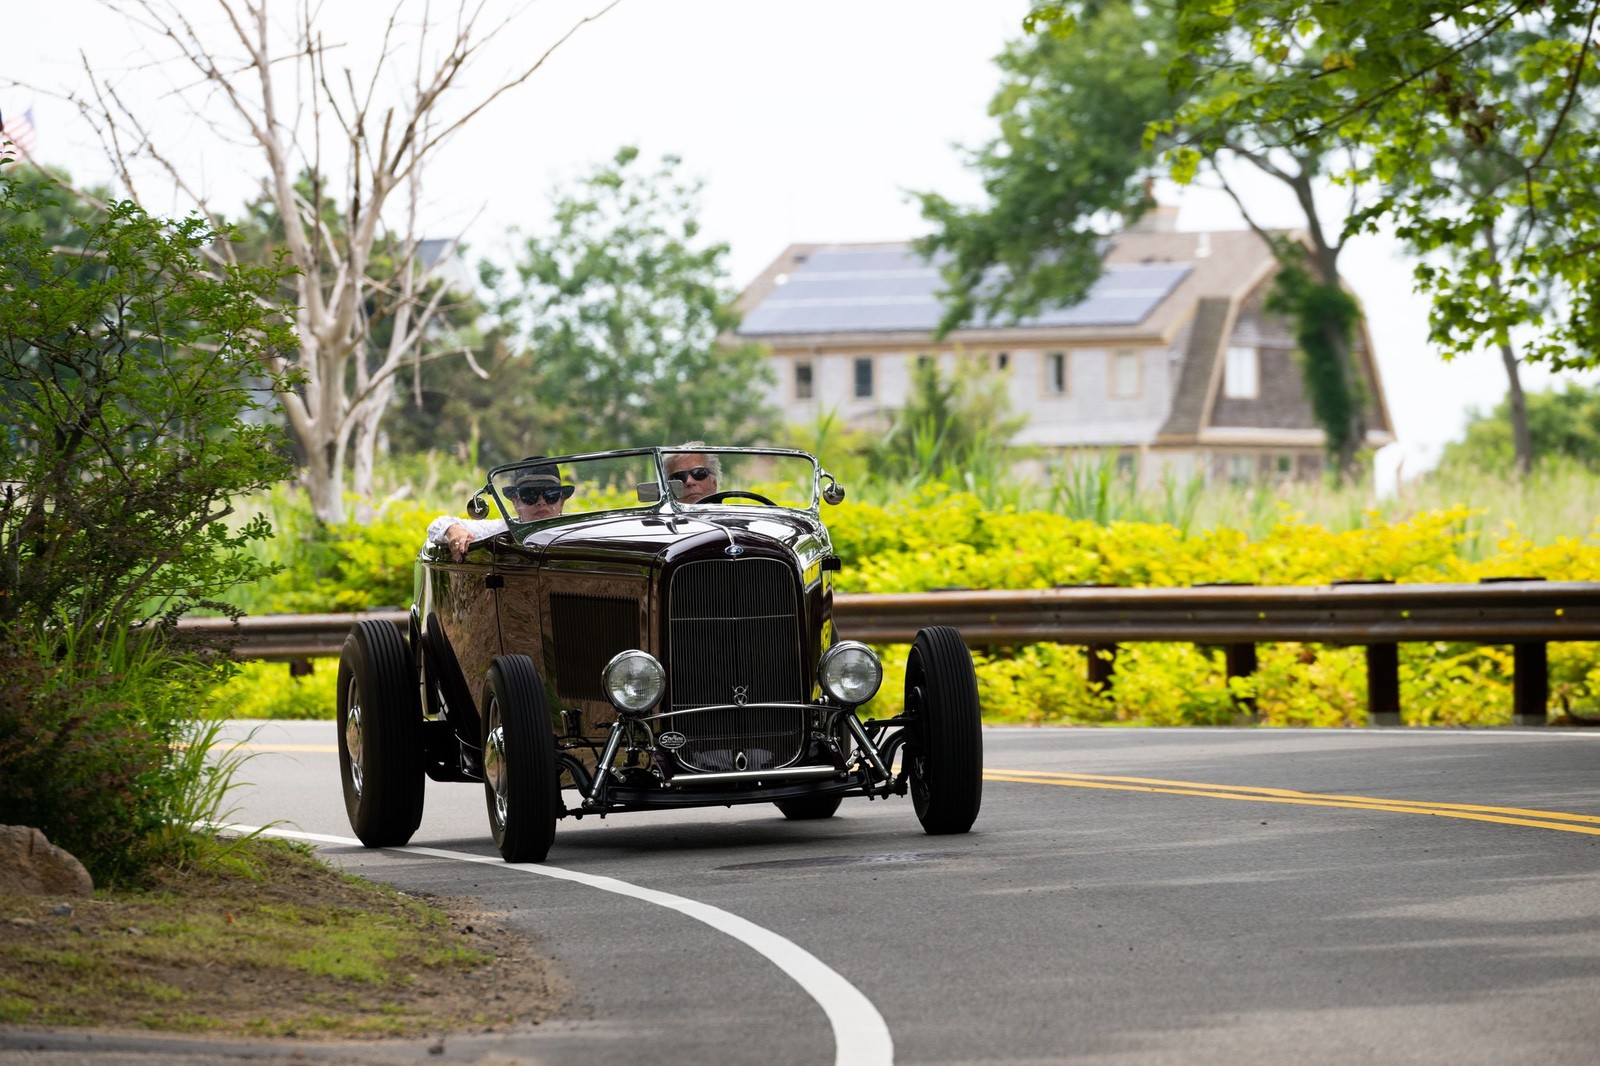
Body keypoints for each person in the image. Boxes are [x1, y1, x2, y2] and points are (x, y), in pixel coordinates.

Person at [425, 462, 573, 561]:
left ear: (561, 502)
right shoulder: (501, 529)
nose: (541, 502)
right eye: (530, 495)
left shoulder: (574, 530)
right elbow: (437, 525)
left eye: (551, 495)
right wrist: (453, 530)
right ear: (516, 502)